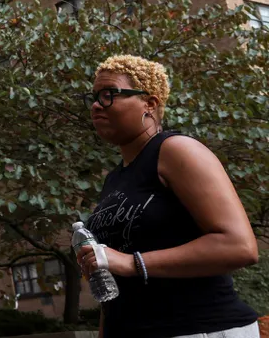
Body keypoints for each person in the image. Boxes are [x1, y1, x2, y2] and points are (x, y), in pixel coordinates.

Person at [79, 55, 259, 338]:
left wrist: (131, 263)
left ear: (149, 104)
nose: (96, 105)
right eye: (93, 97)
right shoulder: (114, 179)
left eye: (108, 94)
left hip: (199, 328)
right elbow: (110, 277)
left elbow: (240, 247)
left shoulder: (176, 150)